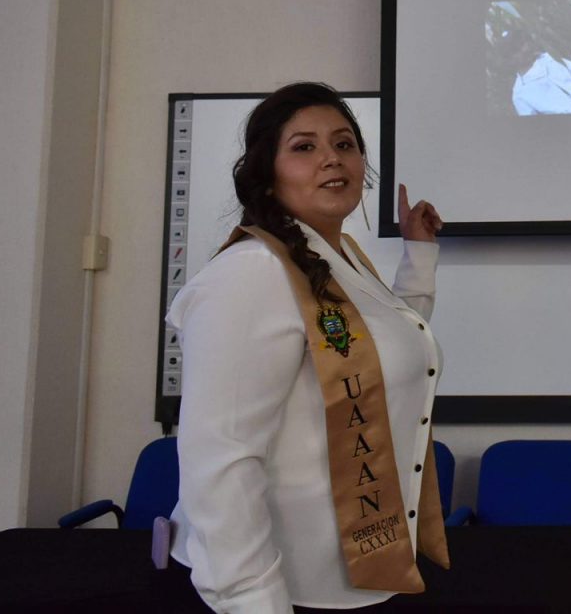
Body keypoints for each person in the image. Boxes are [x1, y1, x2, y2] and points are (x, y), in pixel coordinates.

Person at [167, 82, 448, 612]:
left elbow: (385, 348)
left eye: (344, 144)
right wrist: (252, 599)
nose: (331, 158)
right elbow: (220, 459)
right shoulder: (252, 273)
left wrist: (419, 256)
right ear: (266, 172)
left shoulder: (339, 260)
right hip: (276, 591)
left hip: (348, 580)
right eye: (304, 147)